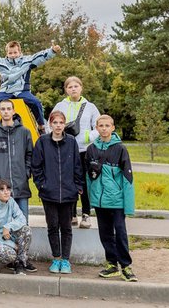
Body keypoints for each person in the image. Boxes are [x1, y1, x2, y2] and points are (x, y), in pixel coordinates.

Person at [86, 115, 138, 282]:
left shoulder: (120, 149)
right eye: (101, 125)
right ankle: (111, 264)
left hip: (116, 201)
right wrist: (90, 200)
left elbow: (128, 179)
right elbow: (89, 177)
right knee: (105, 234)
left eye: (107, 125)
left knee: (120, 233)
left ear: (113, 128)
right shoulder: (91, 149)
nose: (104, 128)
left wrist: (128, 207)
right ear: (96, 128)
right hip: (100, 202)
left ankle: (126, 265)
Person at [32, 110, 83, 274]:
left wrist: (77, 186)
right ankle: (56, 258)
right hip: (49, 193)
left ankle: (66, 261)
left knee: (66, 228)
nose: (58, 126)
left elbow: (77, 165)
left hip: (68, 193)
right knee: (52, 226)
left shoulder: (71, 142)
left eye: (61, 123)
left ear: (64, 124)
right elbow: (36, 167)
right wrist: (42, 185)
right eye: (55, 123)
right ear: (50, 124)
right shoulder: (42, 142)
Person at [0, 41, 61, 132]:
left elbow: (40, 57)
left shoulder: (27, 61)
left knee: (36, 102)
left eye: (15, 52)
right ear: (6, 53)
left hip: (22, 90)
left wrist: (52, 51)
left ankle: (41, 125)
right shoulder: (1, 63)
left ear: (20, 52)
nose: (13, 55)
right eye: (10, 53)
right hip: (6, 90)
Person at [52, 76, 100, 228]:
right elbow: (50, 123)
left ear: (81, 88)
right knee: (68, 181)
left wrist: (88, 136)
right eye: (70, 87)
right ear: (66, 90)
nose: (73, 89)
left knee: (84, 182)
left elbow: (98, 126)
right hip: (65, 149)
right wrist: (57, 136)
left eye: (76, 86)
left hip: (84, 149)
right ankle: (71, 214)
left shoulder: (90, 107)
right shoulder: (61, 105)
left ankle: (86, 214)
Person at [0, 99, 34, 222]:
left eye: (8, 109)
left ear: (13, 111)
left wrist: (26, 172)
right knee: (3, 225)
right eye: (3, 109)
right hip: (2, 188)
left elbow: (30, 155)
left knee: (22, 225)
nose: (6, 112)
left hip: (21, 186)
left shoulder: (24, 132)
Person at [0, 180, 33, 275]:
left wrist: (8, 227)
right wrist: (12, 245)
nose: (6, 192)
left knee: (26, 230)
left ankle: (20, 263)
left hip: (6, 235)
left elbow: (22, 219)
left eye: (8, 189)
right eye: (2, 189)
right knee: (10, 255)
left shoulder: (11, 201)